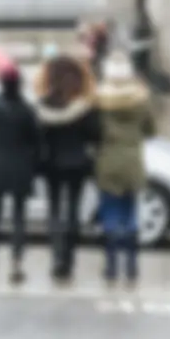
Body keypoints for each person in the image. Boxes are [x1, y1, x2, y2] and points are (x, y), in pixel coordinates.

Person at [35, 54, 101, 284]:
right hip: (78, 163)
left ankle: (55, 257)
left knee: (53, 210)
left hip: (51, 163)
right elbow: (97, 135)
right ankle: (69, 261)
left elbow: (38, 136)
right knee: (73, 210)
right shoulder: (84, 106)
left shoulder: (43, 105)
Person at [92, 55, 156, 288]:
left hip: (107, 162)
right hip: (132, 161)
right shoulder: (141, 100)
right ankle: (131, 267)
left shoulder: (100, 101)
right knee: (131, 214)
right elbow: (151, 130)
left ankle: (110, 268)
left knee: (110, 214)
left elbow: (93, 132)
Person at [0, 64, 41, 282]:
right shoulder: (27, 110)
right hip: (21, 167)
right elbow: (35, 141)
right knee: (19, 218)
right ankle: (16, 261)